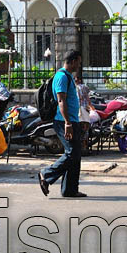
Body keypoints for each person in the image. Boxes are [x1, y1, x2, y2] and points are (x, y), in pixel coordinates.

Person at [38, 50, 85, 198]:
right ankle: (46, 174)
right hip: (63, 121)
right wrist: (67, 123)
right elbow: (61, 100)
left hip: (72, 120)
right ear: (72, 61)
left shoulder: (69, 77)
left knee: (75, 155)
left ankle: (69, 190)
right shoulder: (61, 77)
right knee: (72, 153)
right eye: (78, 61)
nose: (79, 65)